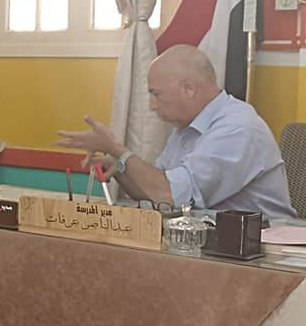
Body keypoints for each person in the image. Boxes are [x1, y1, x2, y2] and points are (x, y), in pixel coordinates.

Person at [57, 44, 296, 220]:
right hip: (211, 242)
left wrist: (117, 149)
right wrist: (119, 167)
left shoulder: (237, 127)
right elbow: (154, 194)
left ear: (188, 89)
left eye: (156, 94)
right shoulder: (187, 126)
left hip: (266, 251)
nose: (151, 105)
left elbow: (170, 195)